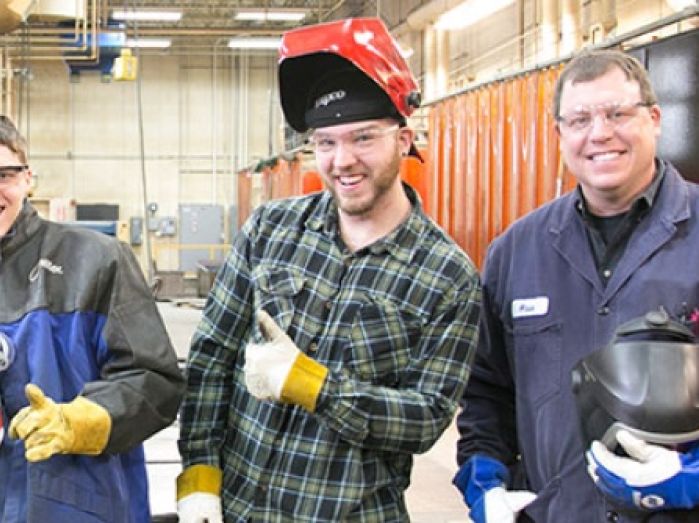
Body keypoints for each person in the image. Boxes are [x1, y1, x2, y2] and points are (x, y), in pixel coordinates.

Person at [176, 17, 482, 523]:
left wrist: (316, 386)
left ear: (403, 139)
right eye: (325, 142)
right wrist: (199, 476)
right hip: (239, 508)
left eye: (363, 138)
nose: (343, 161)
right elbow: (211, 358)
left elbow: (426, 417)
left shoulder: (446, 274)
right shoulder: (270, 230)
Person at [453, 48, 699, 522]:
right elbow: (486, 394)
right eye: (580, 119)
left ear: (654, 118)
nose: (600, 133)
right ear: (559, 134)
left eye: (617, 113)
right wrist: (484, 483)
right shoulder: (515, 252)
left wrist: (689, 478)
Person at [0, 115, 184, 522]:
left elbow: (155, 381)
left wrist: (83, 421)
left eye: (4, 175)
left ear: (28, 178)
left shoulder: (94, 261)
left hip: (77, 506)